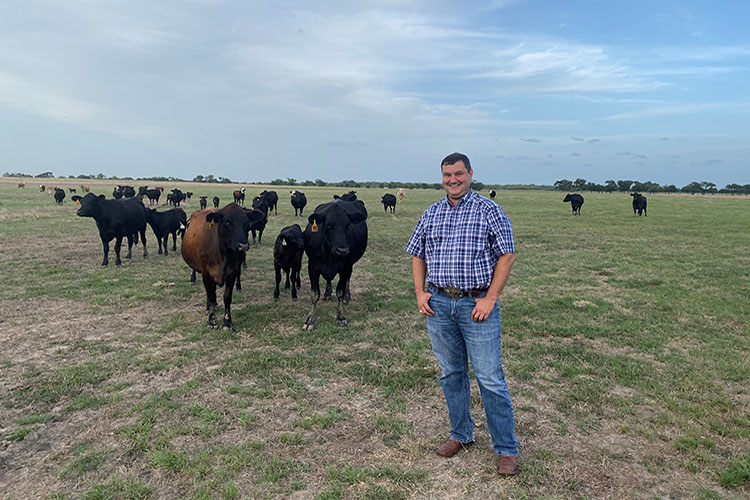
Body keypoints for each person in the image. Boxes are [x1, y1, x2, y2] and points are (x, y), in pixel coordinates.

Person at [405, 152, 519, 476]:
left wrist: (490, 297)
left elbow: (506, 255)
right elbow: (417, 254)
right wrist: (420, 292)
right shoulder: (432, 213)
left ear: (470, 173)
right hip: (439, 304)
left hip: (476, 306)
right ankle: (461, 434)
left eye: (458, 174)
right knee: (451, 373)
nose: (452, 180)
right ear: (441, 178)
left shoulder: (489, 210)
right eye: (446, 175)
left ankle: (506, 449)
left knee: (489, 378)